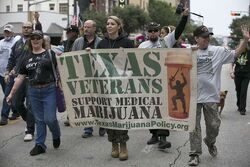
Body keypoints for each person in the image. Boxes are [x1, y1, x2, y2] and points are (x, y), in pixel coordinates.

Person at [188, 25, 249, 166]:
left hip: (211, 96)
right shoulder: (189, 51)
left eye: (208, 36)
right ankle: (194, 154)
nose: (207, 39)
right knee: (193, 127)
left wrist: (245, 40)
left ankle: (210, 141)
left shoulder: (217, 51)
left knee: (214, 125)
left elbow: (235, 53)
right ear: (196, 38)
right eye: (204, 37)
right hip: (193, 96)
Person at [138, 7, 189, 150]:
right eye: (150, 31)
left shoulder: (166, 41)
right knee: (151, 110)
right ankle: (154, 134)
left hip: (165, 82)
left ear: (159, 31)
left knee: (162, 110)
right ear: (147, 32)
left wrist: (184, 17)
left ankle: (162, 138)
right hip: (148, 84)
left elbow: (178, 30)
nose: (153, 33)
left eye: (155, 30)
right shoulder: (142, 46)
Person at [7, 30, 61, 156]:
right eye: (33, 38)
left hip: (49, 89)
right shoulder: (26, 57)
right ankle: (40, 144)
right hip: (34, 91)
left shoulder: (50, 54)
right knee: (39, 119)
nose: (35, 40)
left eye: (38, 38)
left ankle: (56, 134)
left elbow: (62, 67)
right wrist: (11, 94)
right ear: (30, 41)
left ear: (42, 40)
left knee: (50, 119)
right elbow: (20, 77)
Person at [97, 15, 134, 161]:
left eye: (112, 24)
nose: (109, 26)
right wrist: (89, 53)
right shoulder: (101, 44)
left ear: (119, 26)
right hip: (106, 86)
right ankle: (113, 144)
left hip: (122, 85)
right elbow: (96, 62)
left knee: (121, 115)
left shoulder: (127, 42)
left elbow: (133, 62)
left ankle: (123, 145)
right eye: (107, 24)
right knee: (109, 115)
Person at [3, 21, 39, 141]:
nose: (26, 29)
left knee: (30, 104)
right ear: (22, 29)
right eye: (24, 27)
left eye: (29, 27)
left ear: (32, 29)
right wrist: (8, 71)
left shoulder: (35, 42)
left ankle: (29, 130)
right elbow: (12, 58)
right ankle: (30, 121)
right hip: (18, 77)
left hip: (31, 78)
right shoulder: (17, 43)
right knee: (17, 103)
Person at [71, 19, 105, 138]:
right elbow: (72, 57)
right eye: (85, 27)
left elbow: (104, 59)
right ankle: (88, 128)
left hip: (98, 76)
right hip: (83, 76)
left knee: (100, 101)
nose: (86, 29)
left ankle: (102, 124)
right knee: (86, 101)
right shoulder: (78, 42)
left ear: (94, 29)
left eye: (89, 27)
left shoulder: (101, 42)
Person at [0, 24, 20, 125]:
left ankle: (4, 116)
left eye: (8, 31)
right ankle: (16, 111)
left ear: (12, 32)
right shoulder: (0, 43)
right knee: (7, 94)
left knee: (7, 94)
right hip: (1, 73)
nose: (7, 33)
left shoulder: (16, 43)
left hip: (12, 73)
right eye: (5, 31)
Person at [62, 25, 79, 126]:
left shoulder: (80, 42)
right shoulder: (66, 43)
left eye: (70, 32)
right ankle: (70, 115)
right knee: (69, 95)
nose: (68, 34)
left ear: (75, 33)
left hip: (79, 72)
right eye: (67, 32)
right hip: (68, 72)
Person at [229, 40, 250, 115]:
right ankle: (239, 104)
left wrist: (247, 38)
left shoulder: (248, 52)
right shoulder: (237, 52)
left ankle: (242, 109)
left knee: (243, 91)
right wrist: (231, 72)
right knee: (238, 90)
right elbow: (231, 63)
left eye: (244, 44)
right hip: (237, 75)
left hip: (246, 75)